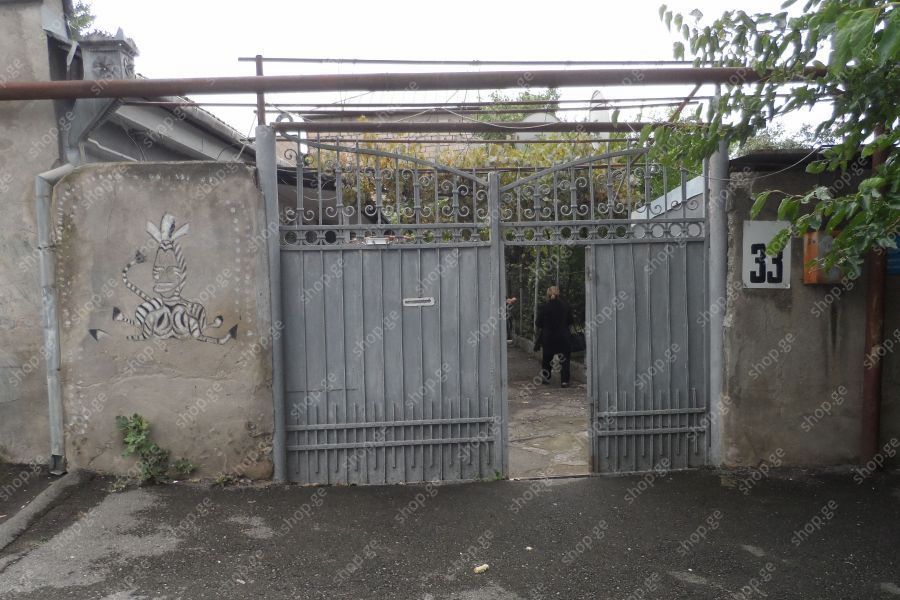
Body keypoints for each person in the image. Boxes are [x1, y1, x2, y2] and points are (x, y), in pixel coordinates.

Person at [535, 286, 574, 388]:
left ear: (548, 295)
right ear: (558, 294)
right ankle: (564, 381)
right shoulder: (565, 306)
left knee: (547, 358)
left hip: (548, 337)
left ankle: (546, 378)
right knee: (564, 359)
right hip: (563, 337)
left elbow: (538, 323)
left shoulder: (544, 307)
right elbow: (571, 321)